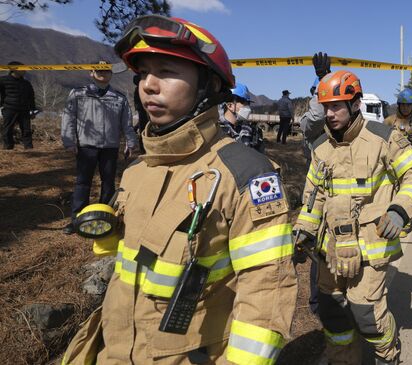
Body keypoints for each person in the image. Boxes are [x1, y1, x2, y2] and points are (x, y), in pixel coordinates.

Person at [62, 15, 297, 364]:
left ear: (209, 84)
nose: (148, 85)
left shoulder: (246, 174)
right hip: (114, 347)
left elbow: (267, 289)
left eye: (167, 71)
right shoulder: (138, 170)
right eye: (143, 73)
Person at [293, 70, 412, 365]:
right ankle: (344, 359)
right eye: (326, 106)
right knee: (331, 312)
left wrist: (399, 209)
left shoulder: (383, 138)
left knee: (365, 313)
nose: (329, 114)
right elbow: (313, 196)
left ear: (355, 104)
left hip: (371, 245)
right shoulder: (320, 148)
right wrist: (304, 229)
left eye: (336, 106)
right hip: (331, 249)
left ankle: (388, 354)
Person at [61, 60, 138, 234]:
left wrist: (131, 141)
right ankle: (76, 219)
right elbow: (68, 118)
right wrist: (69, 141)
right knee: (83, 183)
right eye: (99, 71)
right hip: (86, 146)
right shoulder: (78, 94)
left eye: (106, 71)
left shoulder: (119, 98)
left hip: (110, 147)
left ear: (111, 74)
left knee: (109, 183)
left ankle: (105, 216)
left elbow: (126, 123)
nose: (103, 74)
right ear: (92, 72)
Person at [297, 52, 331, 316]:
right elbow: (318, 116)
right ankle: (317, 302)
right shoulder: (310, 123)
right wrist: (323, 79)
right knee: (318, 251)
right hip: (318, 193)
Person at [0, 61, 37, 150]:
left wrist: (33, 110)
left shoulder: (26, 83)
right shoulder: (3, 80)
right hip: (9, 108)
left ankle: (29, 148)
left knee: (26, 130)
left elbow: (31, 97)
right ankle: (8, 148)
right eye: (22, 69)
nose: (25, 71)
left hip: (24, 110)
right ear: (15, 70)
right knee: (8, 129)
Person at [220, 82, 264, 152]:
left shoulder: (254, 131)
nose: (248, 107)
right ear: (230, 105)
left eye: (248, 103)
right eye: (243, 102)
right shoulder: (218, 131)